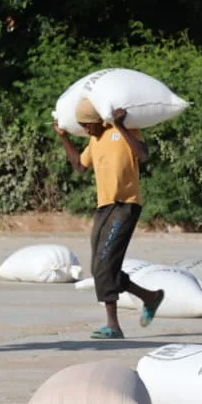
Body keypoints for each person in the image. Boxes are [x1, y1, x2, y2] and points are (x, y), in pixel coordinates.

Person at [55, 98, 165, 339]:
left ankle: (113, 325)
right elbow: (80, 166)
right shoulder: (94, 141)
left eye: (88, 124)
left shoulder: (123, 131)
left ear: (98, 121)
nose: (85, 129)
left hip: (125, 205)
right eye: (82, 126)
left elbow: (143, 155)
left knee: (105, 264)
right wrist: (63, 138)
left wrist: (121, 126)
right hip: (103, 207)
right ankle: (150, 297)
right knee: (100, 267)